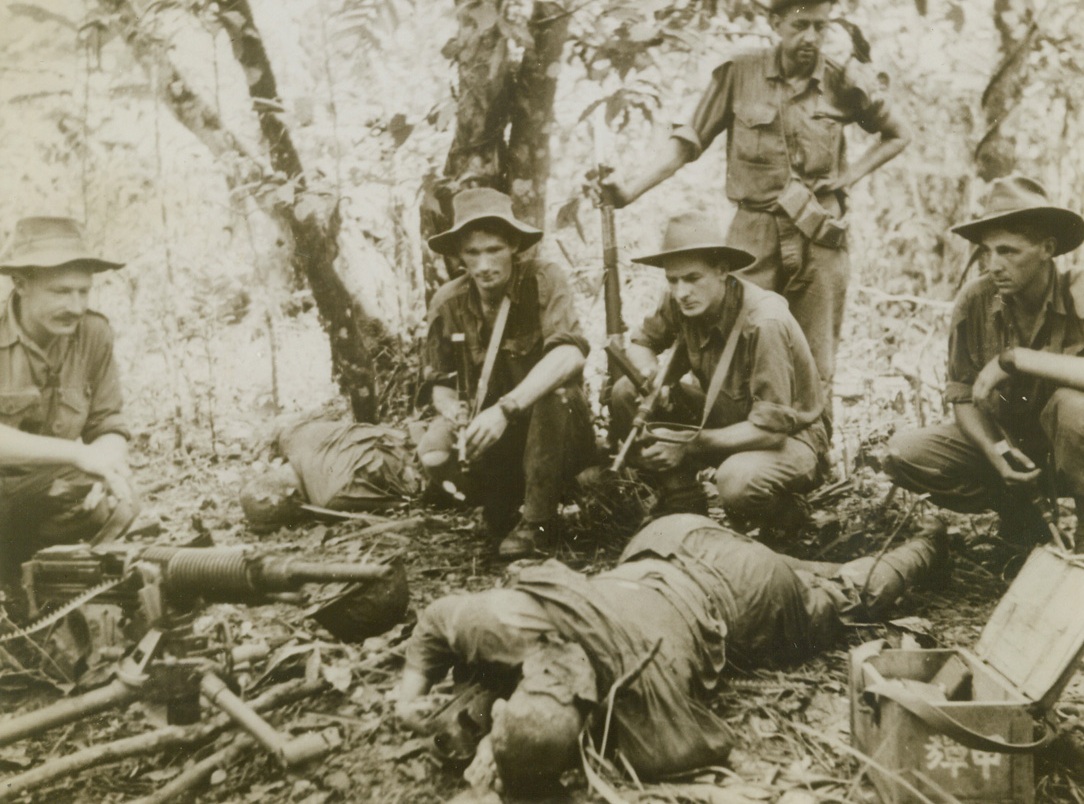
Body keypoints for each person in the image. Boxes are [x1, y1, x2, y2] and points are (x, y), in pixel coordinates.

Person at [395, 512, 946, 797]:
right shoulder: (520, 618)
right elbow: (441, 618)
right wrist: (412, 693)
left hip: (747, 597)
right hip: (667, 536)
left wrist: (525, 748)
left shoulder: (646, 728)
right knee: (795, 572)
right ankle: (817, 560)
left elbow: (710, 745)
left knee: (845, 598)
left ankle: (930, 544)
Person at [600, 0, 911, 399]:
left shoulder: (841, 80)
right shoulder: (740, 73)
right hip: (753, 233)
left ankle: (811, 452)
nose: (811, 38)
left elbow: (898, 133)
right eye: (801, 26)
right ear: (775, 22)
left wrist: (849, 177)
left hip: (819, 236)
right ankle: (733, 439)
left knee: (815, 362)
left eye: (820, 27)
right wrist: (628, 191)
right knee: (734, 340)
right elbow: (687, 142)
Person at [884, 176, 1084, 550]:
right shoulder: (975, 301)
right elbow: (962, 395)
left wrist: (1015, 360)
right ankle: (1024, 520)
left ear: (1047, 248)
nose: (994, 265)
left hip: (1069, 448)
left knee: (1074, 412)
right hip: (1012, 443)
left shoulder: (1080, 292)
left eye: (1009, 251)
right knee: (905, 454)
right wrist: (998, 455)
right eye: (987, 252)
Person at [611, 211, 827, 533]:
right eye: (673, 280)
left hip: (789, 439)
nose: (681, 291)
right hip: (728, 417)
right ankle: (684, 502)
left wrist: (686, 444)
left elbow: (771, 430)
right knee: (626, 392)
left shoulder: (764, 322)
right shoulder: (683, 302)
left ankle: (788, 516)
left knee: (736, 482)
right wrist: (650, 375)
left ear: (722, 271)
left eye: (692, 278)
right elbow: (641, 343)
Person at [417, 188, 595, 559]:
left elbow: (569, 355)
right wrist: (456, 411)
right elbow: (439, 385)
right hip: (496, 437)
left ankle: (537, 521)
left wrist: (506, 409)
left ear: (514, 245)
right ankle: (499, 503)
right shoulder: (448, 301)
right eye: (472, 253)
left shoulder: (544, 279)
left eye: (494, 249)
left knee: (555, 394)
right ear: (459, 256)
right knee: (433, 450)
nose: (483, 265)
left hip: (554, 427)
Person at [0, 216, 139, 581]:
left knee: (115, 503)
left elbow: (108, 422)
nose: (76, 307)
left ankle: (50, 589)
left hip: (40, 493)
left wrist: (106, 466)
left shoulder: (93, 333)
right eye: (61, 292)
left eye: (83, 292)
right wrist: (79, 455)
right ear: (20, 284)